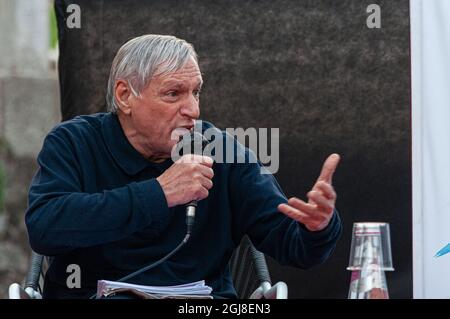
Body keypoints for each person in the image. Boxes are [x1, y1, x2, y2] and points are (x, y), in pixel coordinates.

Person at [25, 34, 342, 299]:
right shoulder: (74, 143)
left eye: (196, 92)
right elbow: (45, 228)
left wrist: (317, 227)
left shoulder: (221, 150)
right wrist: (160, 193)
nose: (192, 109)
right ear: (125, 96)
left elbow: (293, 247)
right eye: (173, 93)